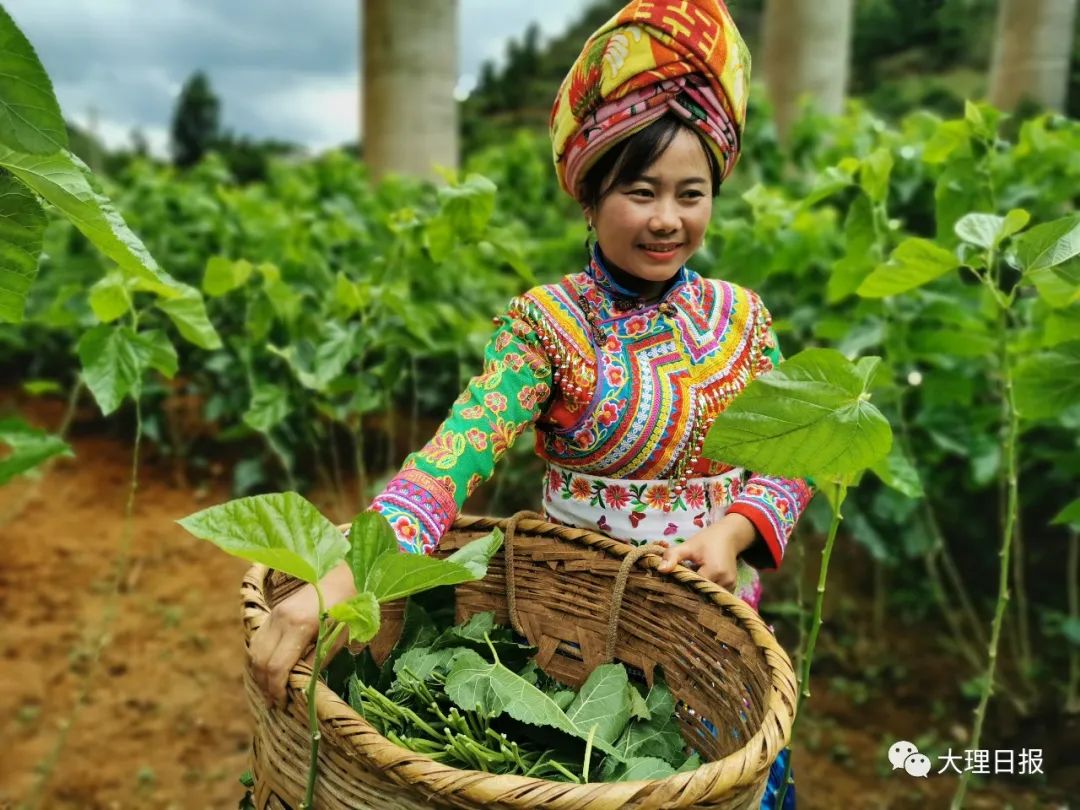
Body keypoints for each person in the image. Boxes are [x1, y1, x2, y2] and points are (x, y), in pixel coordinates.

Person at [251, 1, 809, 806]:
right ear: (588, 194)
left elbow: (793, 459)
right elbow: (452, 458)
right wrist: (346, 580)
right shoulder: (550, 326)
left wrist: (732, 532)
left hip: (715, 630)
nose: (666, 219)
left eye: (692, 193)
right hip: (574, 636)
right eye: (639, 191)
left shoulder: (743, 321)